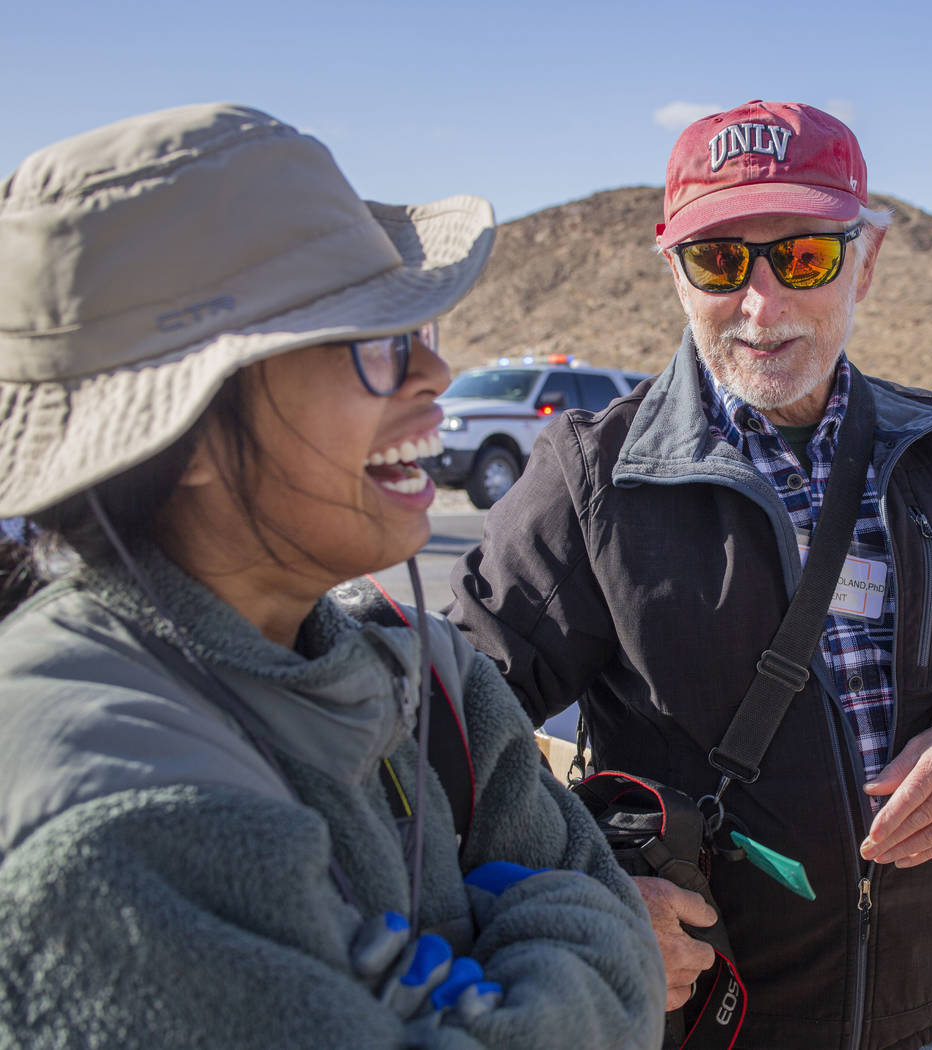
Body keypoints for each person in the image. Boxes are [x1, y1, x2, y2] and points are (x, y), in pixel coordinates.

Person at [0, 102, 667, 1049]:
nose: (436, 373)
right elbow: (599, 927)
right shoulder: (114, 822)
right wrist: (573, 935)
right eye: (375, 339)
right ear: (180, 435)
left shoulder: (436, 686)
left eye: (420, 328)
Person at [446, 100, 932, 1050]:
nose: (761, 305)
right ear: (675, 273)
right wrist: (585, 889)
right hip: (716, 1025)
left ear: (867, 261)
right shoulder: (594, 478)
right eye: (720, 261)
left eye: (805, 257)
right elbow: (449, 737)